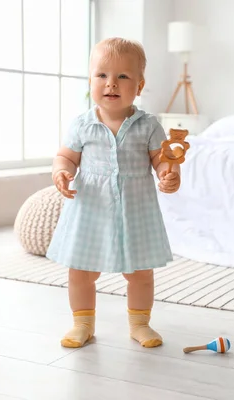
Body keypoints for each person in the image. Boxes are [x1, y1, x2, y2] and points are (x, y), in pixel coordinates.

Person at [46, 37, 181, 349]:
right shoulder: (82, 124)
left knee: (140, 273)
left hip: (136, 210)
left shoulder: (148, 125)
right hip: (91, 208)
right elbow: (65, 156)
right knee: (81, 271)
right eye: (102, 75)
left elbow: (162, 159)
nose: (111, 84)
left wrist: (169, 174)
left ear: (139, 85)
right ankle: (82, 323)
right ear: (91, 80)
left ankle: (140, 323)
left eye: (123, 76)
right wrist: (61, 171)